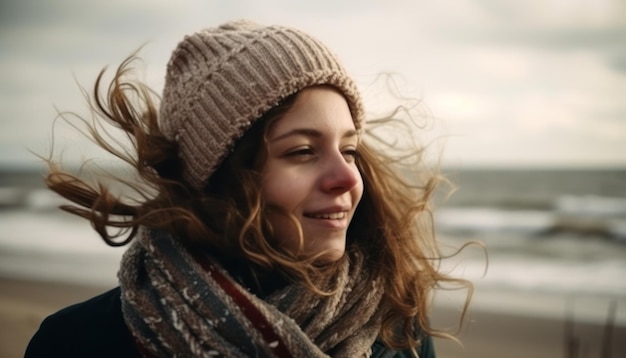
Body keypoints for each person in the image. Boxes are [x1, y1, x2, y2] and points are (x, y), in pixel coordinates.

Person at [25, 19, 471, 357]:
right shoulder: (82, 341)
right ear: (219, 175)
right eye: (301, 152)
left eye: (350, 150)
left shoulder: (395, 328)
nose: (348, 177)